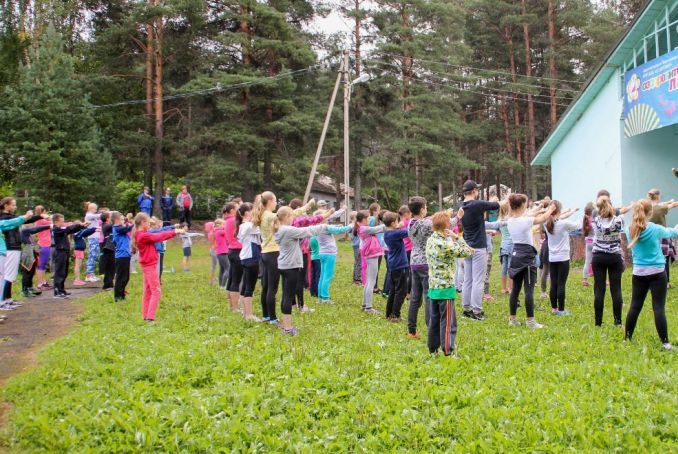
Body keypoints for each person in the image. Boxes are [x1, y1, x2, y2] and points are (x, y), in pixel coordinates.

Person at [406, 196, 463, 339]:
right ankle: (431, 328)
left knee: (415, 298)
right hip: (426, 263)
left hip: (414, 262)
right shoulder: (425, 224)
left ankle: (411, 330)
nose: (426, 209)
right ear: (421, 209)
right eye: (425, 207)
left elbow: (432, 220)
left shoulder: (410, 223)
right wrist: (458, 216)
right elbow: (443, 224)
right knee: (428, 298)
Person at [624, 199, 678, 350]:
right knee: (658, 308)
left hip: (638, 273)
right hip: (657, 272)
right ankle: (665, 343)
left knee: (634, 306)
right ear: (650, 212)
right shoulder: (654, 228)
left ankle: (626, 339)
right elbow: (673, 232)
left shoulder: (630, 229)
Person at [425, 211, 474, 357]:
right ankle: (448, 350)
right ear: (446, 225)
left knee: (434, 320)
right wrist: (456, 237)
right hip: (445, 288)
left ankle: (433, 350)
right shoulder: (445, 245)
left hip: (433, 286)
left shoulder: (431, 240)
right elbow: (468, 251)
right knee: (447, 322)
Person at [273, 206, 328, 335]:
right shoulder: (288, 230)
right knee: (288, 296)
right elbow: (307, 231)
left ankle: (286, 325)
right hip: (290, 266)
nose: (293, 218)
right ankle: (288, 328)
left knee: (286, 296)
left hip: (284, 265)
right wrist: (323, 226)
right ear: (287, 217)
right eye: (292, 216)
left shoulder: (280, 229)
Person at [506, 193, 555, 329]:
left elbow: (528, 213)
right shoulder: (525, 221)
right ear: (522, 205)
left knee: (515, 289)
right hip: (527, 256)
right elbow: (542, 219)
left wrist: (539, 207)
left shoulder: (511, 220)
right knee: (529, 290)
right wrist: (551, 209)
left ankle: (513, 319)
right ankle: (530, 321)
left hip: (515, 254)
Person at [459, 180, 500, 321]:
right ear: (475, 191)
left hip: (467, 246)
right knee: (478, 280)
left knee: (468, 280)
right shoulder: (477, 204)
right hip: (478, 247)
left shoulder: (462, 205)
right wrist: (494, 199)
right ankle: (477, 311)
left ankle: (466, 308)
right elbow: (495, 205)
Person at [131, 213, 183, 321]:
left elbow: (159, 232)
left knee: (148, 291)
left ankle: (146, 316)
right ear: (142, 223)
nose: (150, 223)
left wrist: (172, 230)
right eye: (148, 222)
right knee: (156, 290)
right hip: (149, 265)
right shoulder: (143, 235)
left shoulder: (142, 233)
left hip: (148, 264)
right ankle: (150, 318)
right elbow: (158, 236)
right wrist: (174, 232)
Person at [591, 195, 632, 327]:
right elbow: (620, 215)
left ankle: (598, 323)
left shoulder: (595, 220)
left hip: (598, 256)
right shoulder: (619, 220)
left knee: (599, 289)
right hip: (614, 256)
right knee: (616, 289)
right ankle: (618, 322)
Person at [0, 197, 43, 307]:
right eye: (13, 205)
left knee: (11, 275)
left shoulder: (11, 217)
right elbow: (19, 220)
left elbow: (24, 219)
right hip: (9, 248)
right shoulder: (4, 218)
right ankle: (3, 301)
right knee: (7, 275)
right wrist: (26, 217)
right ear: (6, 206)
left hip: (14, 247)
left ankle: (8, 299)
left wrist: (37, 216)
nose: (15, 207)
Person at [543, 201, 579, 315]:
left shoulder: (546, 223)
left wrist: (571, 211)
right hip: (563, 258)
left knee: (553, 283)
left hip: (552, 258)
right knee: (561, 284)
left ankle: (554, 309)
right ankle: (562, 310)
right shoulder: (563, 224)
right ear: (558, 211)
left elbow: (556, 218)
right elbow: (578, 226)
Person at [315, 209, 351, 305]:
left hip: (322, 253)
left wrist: (336, 226)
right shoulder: (325, 227)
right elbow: (341, 230)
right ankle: (325, 299)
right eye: (325, 215)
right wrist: (351, 225)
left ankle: (320, 297)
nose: (327, 216)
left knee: (322, 276)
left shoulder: (317, 227)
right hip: (329, 254)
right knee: (327, 276)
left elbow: (332, 228)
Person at [647, 188, 678, 288]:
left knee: (652, 259)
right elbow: (673, 205)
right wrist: (672, 203)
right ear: (658, 196)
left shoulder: (646, 207)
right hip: (662, 237)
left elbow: (661, 204)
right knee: (664, 260)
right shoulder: (661, 208)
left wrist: (668, 201)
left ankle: (650, 282)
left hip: (650, 237)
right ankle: (666, 283)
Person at [356, 210, 385, 314]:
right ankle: (369, 308)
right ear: (363, 219)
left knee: (369, 281)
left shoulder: (362, 228)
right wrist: (387, 224)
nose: (369, 220)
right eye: (368, 218)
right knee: (371, 281)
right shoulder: (364, 228)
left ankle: (365, 305)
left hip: (371, 255)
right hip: (372, 256)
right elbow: (377, 229)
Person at [237, 203, 262, 321]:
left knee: (246, 286)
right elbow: (259, 225)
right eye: (252, 210)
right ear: (247, 213)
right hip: (251, 258)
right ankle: (249, 315)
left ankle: (244, 312)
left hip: (247, 257)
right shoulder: (248, 226)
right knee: (249, 288)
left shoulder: (244, 225)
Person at [51, 214, 86, 299]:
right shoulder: (56, 229)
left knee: (64, 272)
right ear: (56, 222)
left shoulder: (62, 229)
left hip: (65, 252)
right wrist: (79, 225)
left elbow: (70, 230)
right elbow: (68, 228)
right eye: (62, 221)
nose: (63, 223)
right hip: (60, 252)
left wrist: (82, 227)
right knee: (59, 272)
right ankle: (57, 291)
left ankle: (61, 289)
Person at [383, 211, 409, 321]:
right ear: (393, 223)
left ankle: (389, 313)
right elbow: (409, 231)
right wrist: (404, 224)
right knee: (401, 291)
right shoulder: (395, 233)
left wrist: (398, 226)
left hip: (393, 264)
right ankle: (396, 315)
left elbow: (398, 231)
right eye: (397, 222)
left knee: (393, 290)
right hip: (399, 265)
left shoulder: (387, 233)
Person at [20, 223, 50, 298]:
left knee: (31, 272)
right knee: (27, 273)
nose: (33, 227)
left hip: (32, 255)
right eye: (31, 225)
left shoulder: (29, 235)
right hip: (27, 255)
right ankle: (25, 290)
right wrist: (48, 226)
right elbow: (35, 229)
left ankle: (30, 288)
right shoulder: (24, 231)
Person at [224, 201, 244, 312]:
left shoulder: (227, 221)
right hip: (237, 250)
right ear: (232, 210)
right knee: (236, 280)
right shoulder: (233, 220)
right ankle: (236, 307)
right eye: (238, 208)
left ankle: (232, 305)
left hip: (231, 250)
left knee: (231, 279)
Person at [112, 211, 133, 303]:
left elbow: (126, 228)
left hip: (126, 255)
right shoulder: (117, 228)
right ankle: (118, 297)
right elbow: (126, 229)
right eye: (121, 219)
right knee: (120, 278)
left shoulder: (121, 228)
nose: (123, 221)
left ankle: (122, 295)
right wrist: (135, 224)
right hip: (121, 256)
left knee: (126, 277)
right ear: (116, 220)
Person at [34, 206, 52, 291]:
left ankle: (44, 282)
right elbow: (51, 223)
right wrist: (47, 216)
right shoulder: (40, 220)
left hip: (46, 244)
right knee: (40, 265)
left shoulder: (43, 220)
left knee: (43, 264)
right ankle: (40, 284)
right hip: (43, 244)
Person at [83, 203, 102, 283]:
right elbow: (99, 216)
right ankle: (89, 275)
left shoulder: (93, 215)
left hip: (96, 237)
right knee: (92, 255)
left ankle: (92, 274)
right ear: (91, 208)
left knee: (95, 256)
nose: (96, 210)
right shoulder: (89, 215)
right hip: (92, 237)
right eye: (95, 209)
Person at [498, 201, 513, 294]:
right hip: (511, 244)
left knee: (504, 267)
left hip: (503, 245)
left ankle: (504, 288)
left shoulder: (500, 219)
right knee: (511, 267)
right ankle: (511, 288)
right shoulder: (510, 219)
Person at [100, 211, 116, 291]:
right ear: (107, 218)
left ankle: (110, 284)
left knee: (112, 267)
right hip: (108, 249)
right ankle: (107, 285)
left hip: (111, 248)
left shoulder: (107, 226)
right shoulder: (105, 226)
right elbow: (114, 225)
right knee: (109, 267)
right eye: (110, 217)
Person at [581, 203, 595, 288]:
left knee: (587, 262)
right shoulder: (594, 220)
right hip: (595, 243)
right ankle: (603, 280)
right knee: (599, 262)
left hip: (588, 242)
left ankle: (585, 281)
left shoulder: (584, 220)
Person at [213, 218, 229, 288]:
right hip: (223, 252)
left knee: (222, 269)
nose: (225, 225)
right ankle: (223, 285)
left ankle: (221, 285)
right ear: (220, 225)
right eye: (224, 224)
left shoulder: (217, 231)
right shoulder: (220, 231)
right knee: (228, 269)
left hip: (220, 252)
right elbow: (228, 232)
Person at [349, 212, 361, 285]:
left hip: (356, 245)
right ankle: (357, 279)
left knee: (357, 262)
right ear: (354, 218)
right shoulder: (352, 226)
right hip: (357, 245)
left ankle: (356, 278)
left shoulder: (353, 225)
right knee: (358, 262)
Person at [204, 221, 218, 286]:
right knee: (214, 266)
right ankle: (212, 280)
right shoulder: (213, 233)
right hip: (215, 250)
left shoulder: (209, 233)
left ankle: (212, 279)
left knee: (213, 266)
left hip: (212, 249)